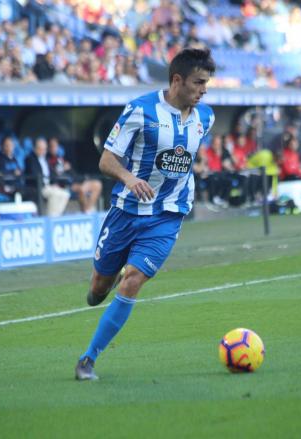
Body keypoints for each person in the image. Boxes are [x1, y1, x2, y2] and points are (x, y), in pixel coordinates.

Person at [75, 47, 215, 381]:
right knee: (98, 289)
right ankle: (102, 285)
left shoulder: (205, 117)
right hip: (126, 210)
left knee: (133, 280)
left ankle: (87, 360)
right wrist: (129, 177)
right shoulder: (140, 110)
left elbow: (185, 159)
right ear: (177, 80)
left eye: (207, 83)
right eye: (198, 82)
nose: (204, 89)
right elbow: (106, 160)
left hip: (169, 214)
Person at [47, 137, 103, 213]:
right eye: (52, 146)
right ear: (49, 148)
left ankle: (88, 209)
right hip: (66, 185)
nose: (54, 148)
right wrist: (62, 171)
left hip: (77, 181)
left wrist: (69, 169)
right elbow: (54, 177)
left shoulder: (60, 158)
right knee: (82, 189)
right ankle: (86, 212)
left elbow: (73, 173)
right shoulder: (48, 160)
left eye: (56, 146)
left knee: (97, 185)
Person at [24, 137, 70, 217]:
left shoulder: (46, 159)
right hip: (38, 187)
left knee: (65, 194)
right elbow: (35, 175)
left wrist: (54, 183)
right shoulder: (30, 159)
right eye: (40, 149)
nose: (43, 151)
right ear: (35, 149)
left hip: (49, 186)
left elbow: (52, 174)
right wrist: (48, 185)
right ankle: (50, 218)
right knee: (55, 194)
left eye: (44, 149)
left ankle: (56, 216)